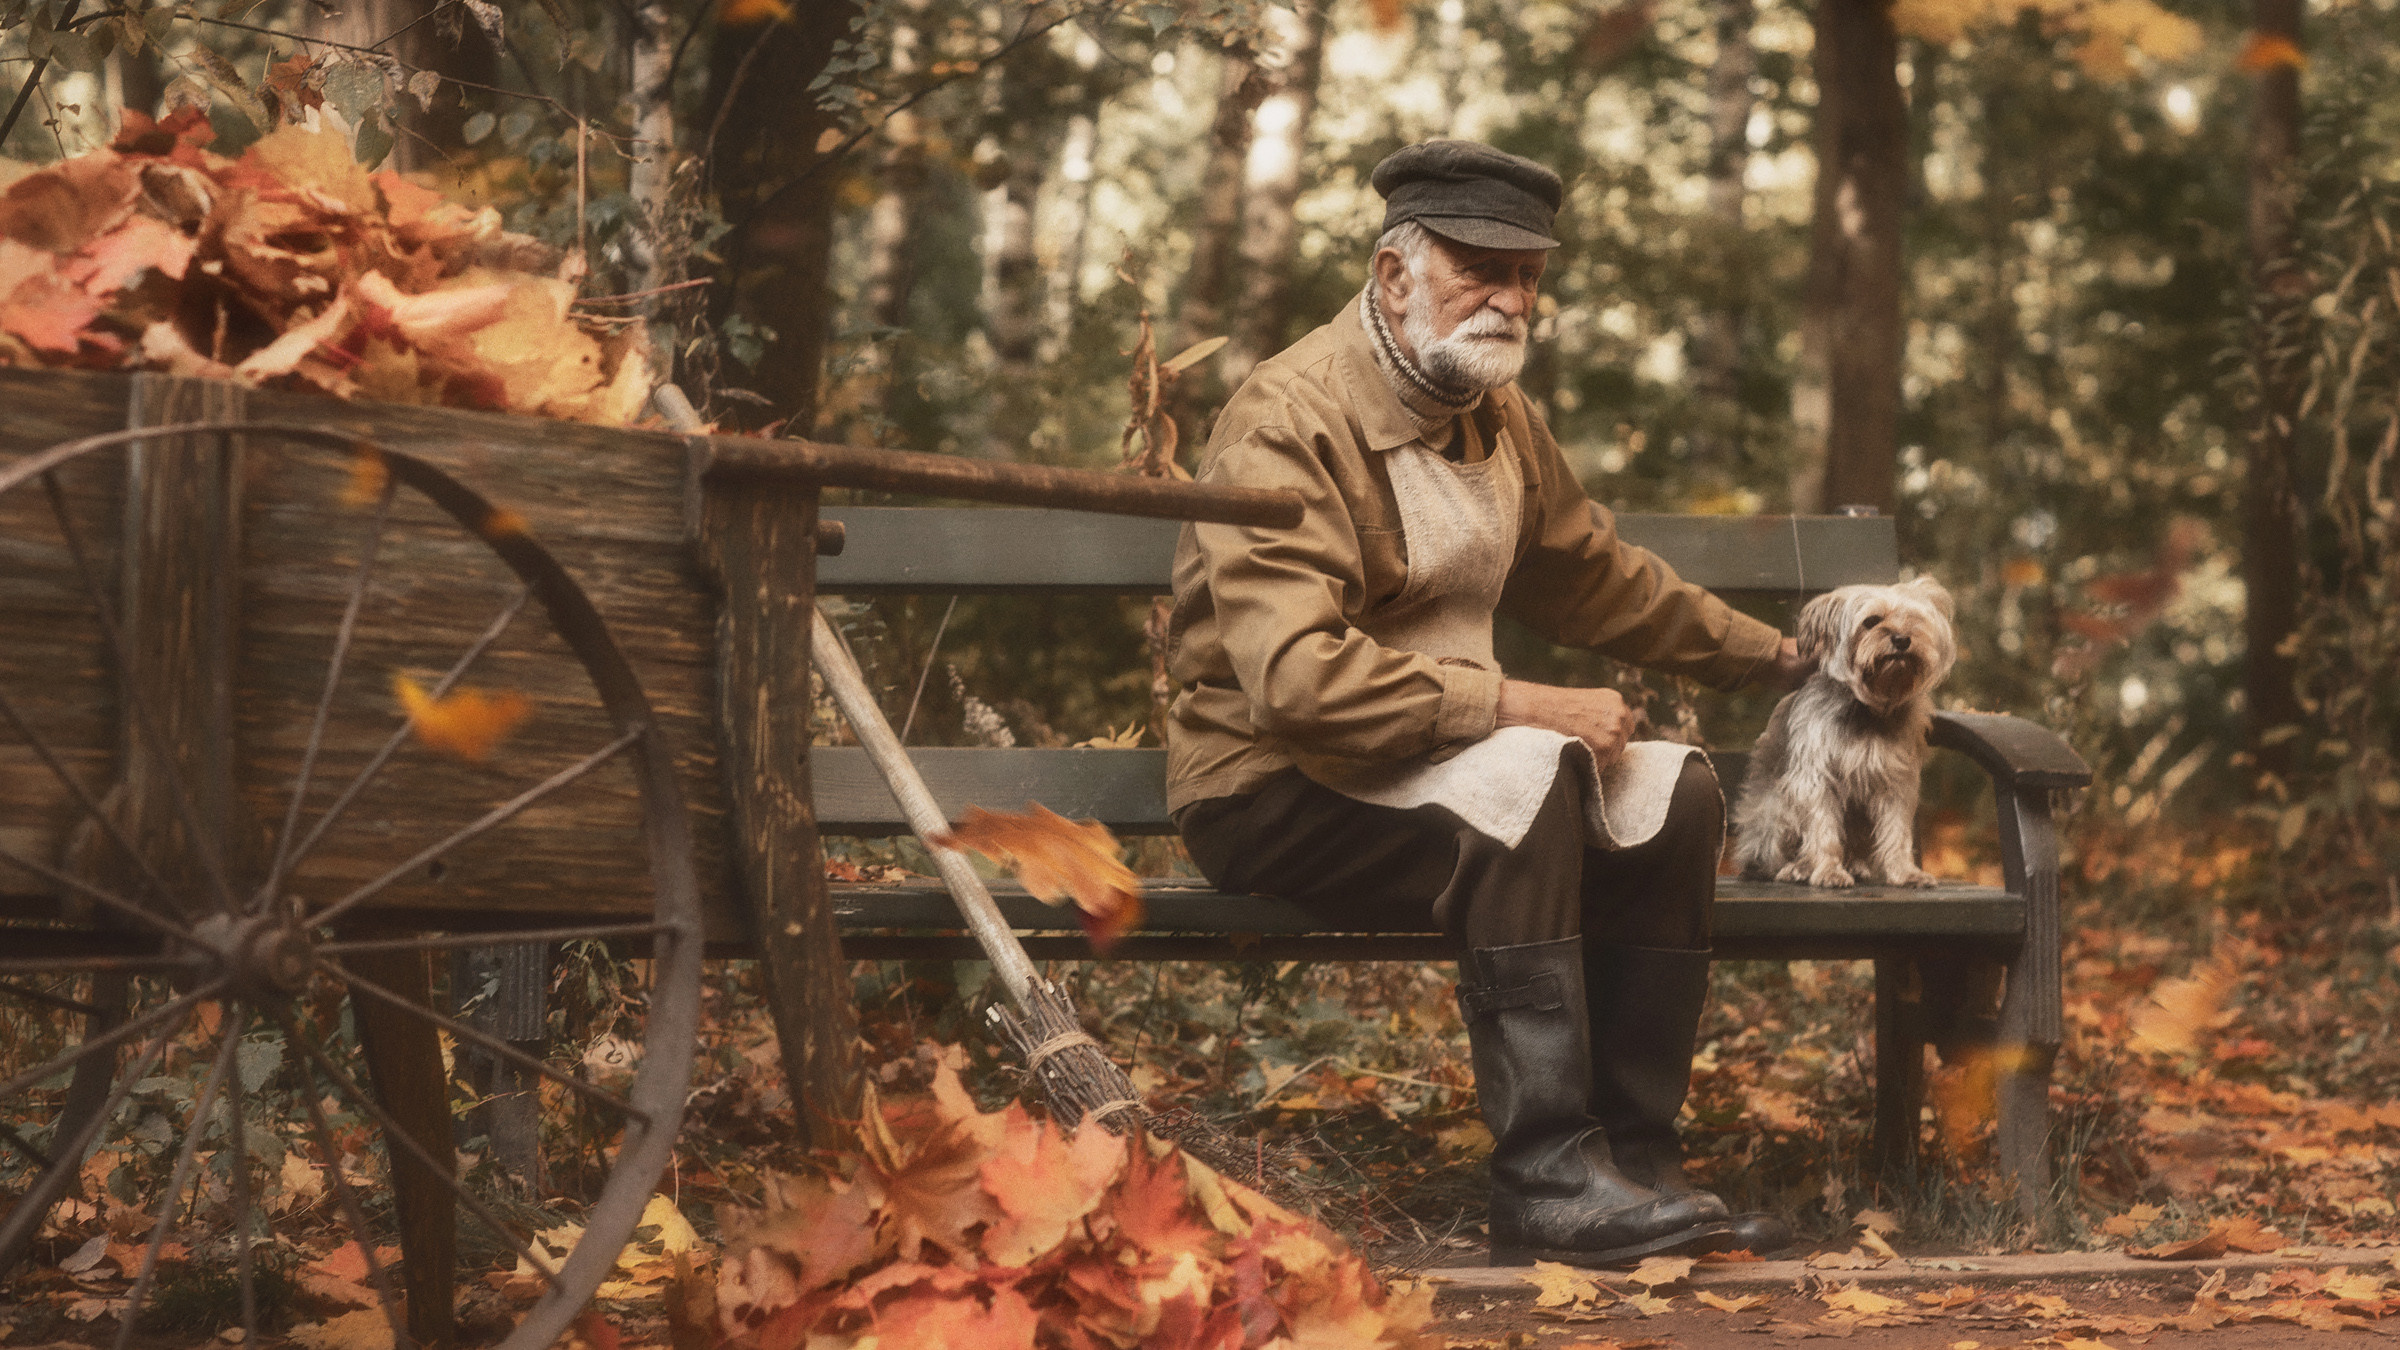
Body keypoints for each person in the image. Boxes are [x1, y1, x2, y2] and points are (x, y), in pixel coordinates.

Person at [1165, 140, 1808, 1266]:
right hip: (1270, 789)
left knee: (1677, 794)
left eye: (1528, 276)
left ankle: (1634, 1168)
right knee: (1535, 772)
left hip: (1430, 770)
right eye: (1477, 268)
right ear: (1393, 273)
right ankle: (1546, 1183)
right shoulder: (1288, 418)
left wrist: (1772, 657)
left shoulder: (1499, 415)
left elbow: (1598, 578)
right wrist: (1514, 701)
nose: (1509, 299)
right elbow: (1296, 681)